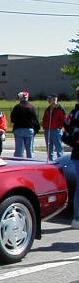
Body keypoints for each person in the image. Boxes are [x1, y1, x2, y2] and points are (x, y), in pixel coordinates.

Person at [63, 92, 79, 229]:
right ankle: (77, 217)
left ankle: (77, 218)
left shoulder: (73, 113)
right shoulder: (75, 113)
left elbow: (66, 130)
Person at [10, 91, 39, 158]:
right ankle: (30, 162)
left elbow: (12, 119)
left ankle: (18, 162)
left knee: (19, 150)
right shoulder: (32, 107)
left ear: (20, 98)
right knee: (30, 149)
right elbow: (35, 120)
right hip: (29, 129)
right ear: (27, 98)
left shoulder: (17, 107)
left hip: (18, 129)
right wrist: (36, 129)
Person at [42, 94, 66, 161]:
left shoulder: (60, 108)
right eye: (49, 99)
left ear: (55, 99)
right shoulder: (48, 109)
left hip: (56, 130)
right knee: (49, 148)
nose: (49, 100)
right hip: (47, 130)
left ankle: (60, 161)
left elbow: (64, 119)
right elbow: (44, 119)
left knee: (58, 148)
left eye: (50, 99)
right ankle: (50, 161)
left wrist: (59, 126)